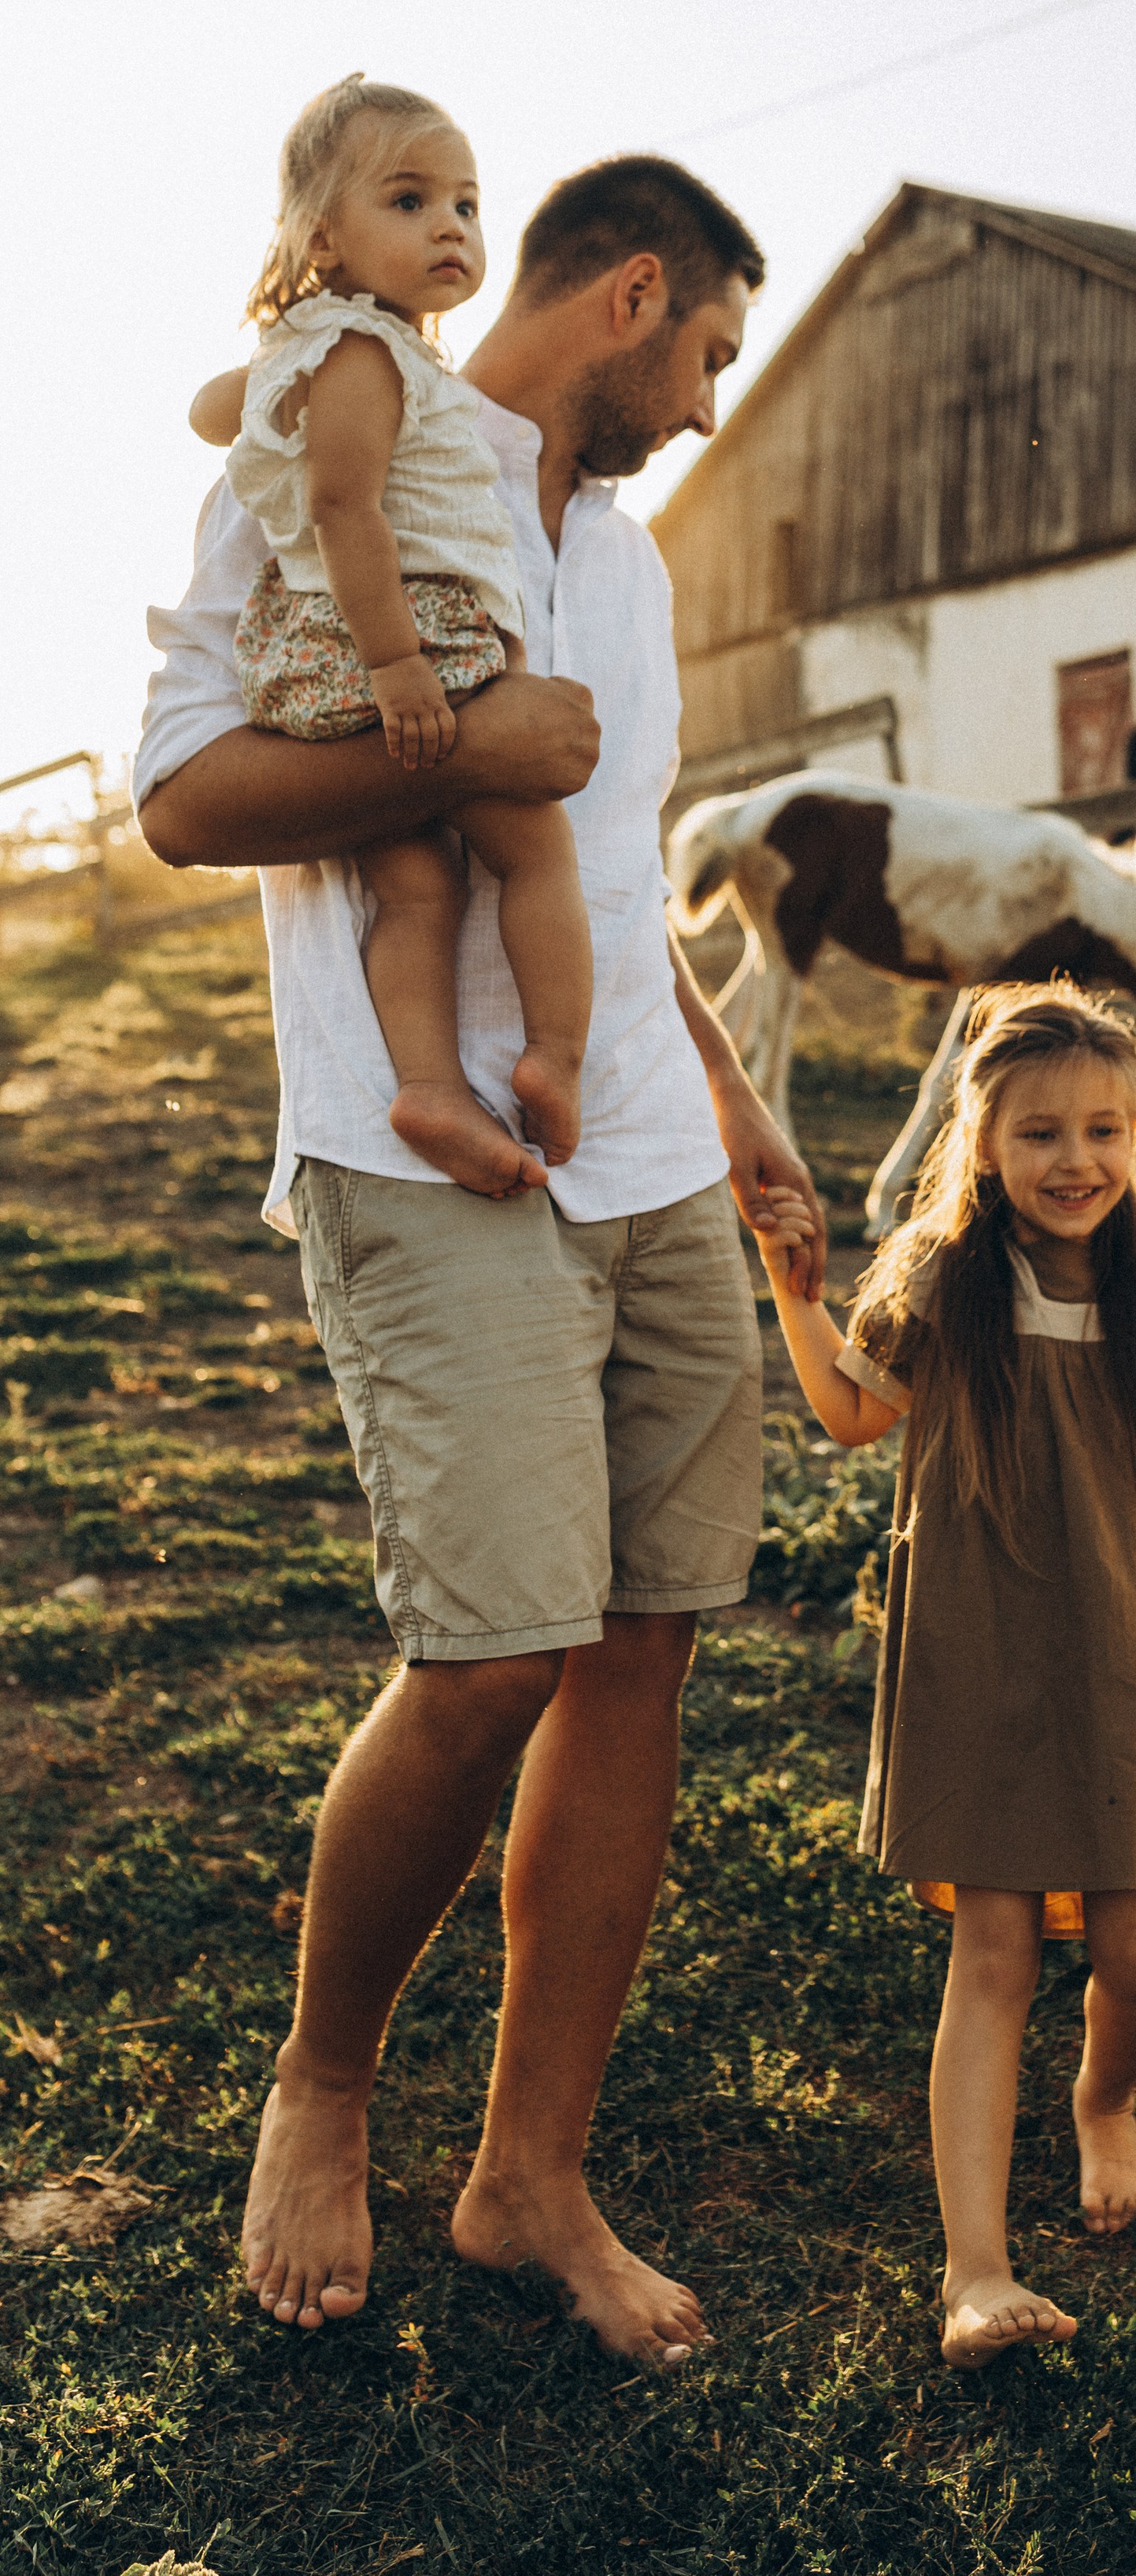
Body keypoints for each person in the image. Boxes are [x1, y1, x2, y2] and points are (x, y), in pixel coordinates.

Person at [135, 143, 827, 2366]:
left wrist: (729, 1108)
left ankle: (531, 2176)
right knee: (490, 1661)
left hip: (643, 1166)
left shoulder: (622, 562)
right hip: (426, 1156)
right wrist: (473, 741)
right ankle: (324, 2088)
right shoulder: (339, 433)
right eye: (713, 347)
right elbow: (183, 802)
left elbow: (611, 872)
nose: (715, 402)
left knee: (638, 1654)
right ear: (628, 297)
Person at [751, 981, 1136, 2367]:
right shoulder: (943, 1282)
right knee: (997, 1949)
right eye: (1038, 1135)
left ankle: (1103, 2102)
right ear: (980, 1146)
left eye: (1102, 1130)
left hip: (1131, 1656)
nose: (1074, 1161)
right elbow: (851, 1410)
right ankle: (975, 2271)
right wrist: (793, 1293)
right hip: (986, 1659)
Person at [188, 74, 594, 1196]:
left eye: (466, 204)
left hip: (321, 660)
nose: (452, 228)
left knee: (415, 881)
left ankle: (428, 1085)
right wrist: (402, 668)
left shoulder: (331, 349)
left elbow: (209, 415)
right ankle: (557, 1056)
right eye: (410, 201)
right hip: (397, 641)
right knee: (532, 848)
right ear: (324, 238)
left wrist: (271, 362)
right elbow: (343, 509)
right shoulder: (365, 353)